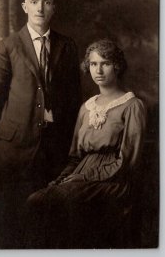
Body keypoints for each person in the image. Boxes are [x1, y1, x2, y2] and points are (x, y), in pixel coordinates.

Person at [0, 0, 81, 248]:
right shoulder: (9, 45)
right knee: (11, 217)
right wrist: (12, 131)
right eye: (35, 2)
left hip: (54, 148)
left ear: (54, 9)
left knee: (48, 220)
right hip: (14, 148)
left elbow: (74, 98)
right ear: (25, 6)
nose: (40, 7)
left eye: (46, 2)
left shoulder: (66, 46)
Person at [25, 38, 146, 249]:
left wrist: (84, 177)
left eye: (105, 63)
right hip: (81, 173)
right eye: (93, 64)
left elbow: (128, 161)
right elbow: (75, 156)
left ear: (116, 66)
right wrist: (62, 179)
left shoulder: (132, 106)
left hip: (113, 179)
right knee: (37, 199)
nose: (98, 70)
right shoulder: (86, 107)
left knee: (61, 204)